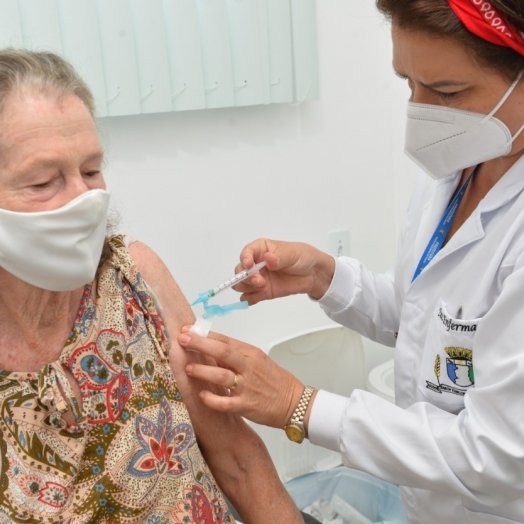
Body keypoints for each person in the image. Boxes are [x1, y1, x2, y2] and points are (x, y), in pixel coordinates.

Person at [177, 1, 524, 523]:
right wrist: (323, 276)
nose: (422, 111)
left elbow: (497, 453)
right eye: (408, 82)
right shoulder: (457, 166)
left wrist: (299, 404)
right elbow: (424, 317)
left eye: (448, 93)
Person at [0, 48, 306, 524]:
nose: (86, 200)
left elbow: (240, 461)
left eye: (91, 170)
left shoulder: (135, 277)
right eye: (44, 182)